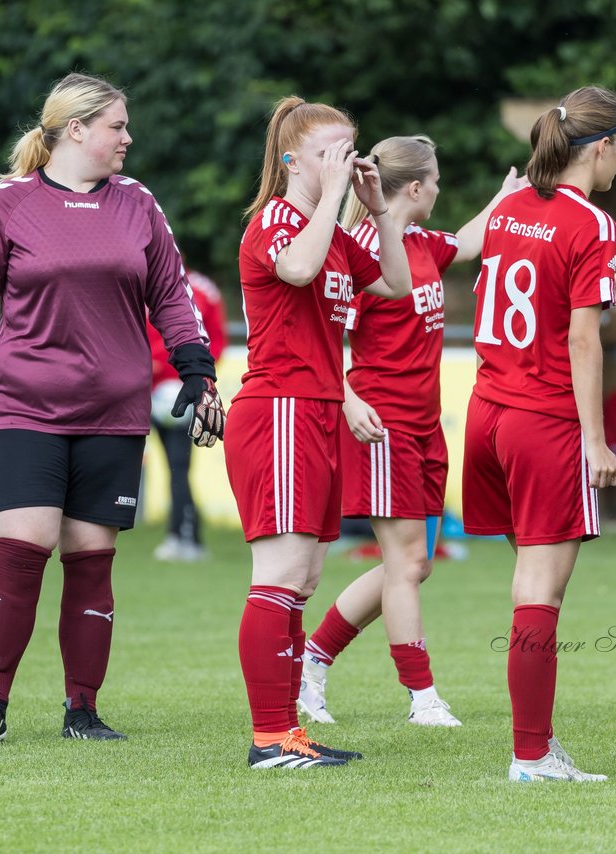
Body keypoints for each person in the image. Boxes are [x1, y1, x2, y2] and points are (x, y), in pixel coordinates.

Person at [0, 72, 225, 745]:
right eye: (117, 126)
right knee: (24, 546)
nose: (127, 138)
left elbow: (172, 296)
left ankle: (83, 710)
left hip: (114, 409)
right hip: (26, 404)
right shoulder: (7, 204)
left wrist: (198, 372)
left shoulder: (139, 205)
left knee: (90, 555)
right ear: (75, 129)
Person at [296, 137, 527, 728]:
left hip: (424, 428)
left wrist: (506, 197)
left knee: (413, 565)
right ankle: (422, 696)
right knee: (404, 564)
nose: (442, 191)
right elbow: (324, 336)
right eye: (439, 181)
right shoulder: (362, 248)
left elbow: (471, 239)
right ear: (417, 188)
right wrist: (347, 402)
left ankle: (312, 660)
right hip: (383, 426)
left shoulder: (422, 244)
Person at [226, 95, 412, 769]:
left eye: (350, 147)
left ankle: (286, 734)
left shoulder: (332, 230)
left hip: (317, 412)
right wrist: (333, 194)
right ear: (293, 160)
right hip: (277, 409)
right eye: (333, 150)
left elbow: (395, 281)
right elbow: (296, 270)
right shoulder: (274, 221)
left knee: (302, 576)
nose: (347, 159)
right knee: (278, 573)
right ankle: (271, 738)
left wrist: (377, 206)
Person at [463, 86, 616, 782]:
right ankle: (530, 755)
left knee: (531, 583)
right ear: (600, 147)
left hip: (487, 414)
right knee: (538, 592)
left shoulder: (508, 209)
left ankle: (539, 745)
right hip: (544, 421)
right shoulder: (592, 223)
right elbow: (582, 344)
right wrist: (595, 439)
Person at [147, 267, 227, 562]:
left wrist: (178, 372)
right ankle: (185, 534)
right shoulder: (150, 281)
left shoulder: (199, 288)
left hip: (181, 390)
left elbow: (213, 340)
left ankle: (184, 535)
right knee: (176, 467)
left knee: (178, 466)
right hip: (156, 391)